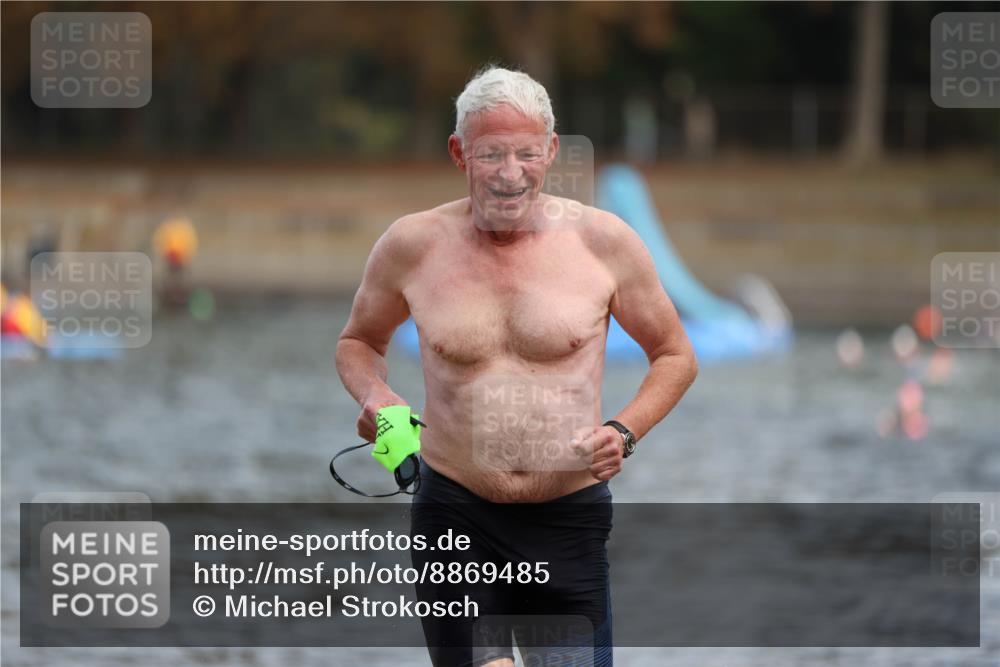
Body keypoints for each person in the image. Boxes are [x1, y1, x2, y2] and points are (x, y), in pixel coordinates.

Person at [336, 66, 698, 667]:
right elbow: (358, 342)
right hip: (454, 513)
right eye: (491, 155)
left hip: (568, 520)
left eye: (527, 154)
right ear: (460, 153)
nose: (510, 174)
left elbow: (675, 355)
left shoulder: (603, 244)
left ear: (551, 151)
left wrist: (624, 431)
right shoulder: (412, 246)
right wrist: (375, 395)